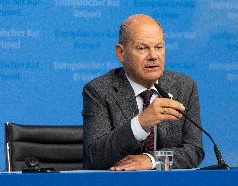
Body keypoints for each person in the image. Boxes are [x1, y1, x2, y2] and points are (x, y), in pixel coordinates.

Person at [82, 14, 204, 170]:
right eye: (142, 48)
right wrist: (141, 124)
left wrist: (152, 161)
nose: (153, 56)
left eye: (159, 47)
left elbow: (194, 151)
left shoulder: (184, 86)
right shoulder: (99, 90)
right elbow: (96, 156)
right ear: (120, 53)